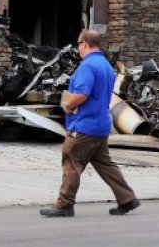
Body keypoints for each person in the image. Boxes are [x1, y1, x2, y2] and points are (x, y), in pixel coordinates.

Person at [40, 29, 140, 217]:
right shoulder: (105, 66)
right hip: (101, 124)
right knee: (105, 164)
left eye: (78, 44)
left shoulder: (87, 66)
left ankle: (64, 204)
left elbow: (82, 93)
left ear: (84, 44)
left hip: (84, 125)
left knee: (71, 160)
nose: (78, 48)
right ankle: (127, 199)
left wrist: (68, 105)